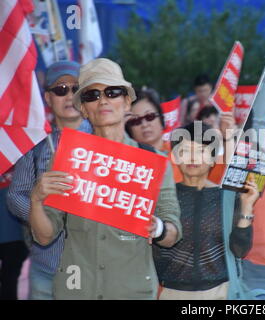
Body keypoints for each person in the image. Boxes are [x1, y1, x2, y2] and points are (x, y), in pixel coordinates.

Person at [28, 58, 182, 300]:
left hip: (132, 292)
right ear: (83, 109)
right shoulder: (68, 159)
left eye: (112, 92)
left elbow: (172, 232)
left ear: (127, 101)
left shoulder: (153, 162)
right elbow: (46, 235)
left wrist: (159, 228)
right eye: (92, 95)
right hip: (77, 291)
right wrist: (36, 201)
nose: (103, 100)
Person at [7, 60, 91, 300]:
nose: (69, 96)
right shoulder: (35, 145)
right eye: (60, 90)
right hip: (47, 266)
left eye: (76, 88)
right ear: (47, 97)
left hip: (96, 268)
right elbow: (15, 196)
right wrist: (41, 213)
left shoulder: (105, 138)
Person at [154, 121, 260, 300]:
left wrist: (247, 207)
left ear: (212, 159)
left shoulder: (226, 197)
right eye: (185, 151)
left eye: (201, 151)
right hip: (172, 292)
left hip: (219, 292)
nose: (193, 158)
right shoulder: (163, 195)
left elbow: (240, 249)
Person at [0, 169, 29, 300]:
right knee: (9, 281)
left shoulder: (22, 168)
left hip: (16, 236)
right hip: (16, 235)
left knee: (10, 281)